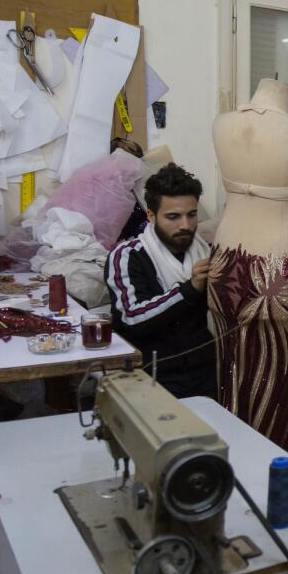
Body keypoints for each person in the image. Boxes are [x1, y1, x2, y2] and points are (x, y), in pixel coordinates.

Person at [104, 163, 217, 399]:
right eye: (173, 217)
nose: (185, 225)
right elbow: (132, 317)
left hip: (205, 372)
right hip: (151, 376)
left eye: (192, 214)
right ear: (151, 216)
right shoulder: (127, 256)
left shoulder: (205, 252)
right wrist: (190, 289)